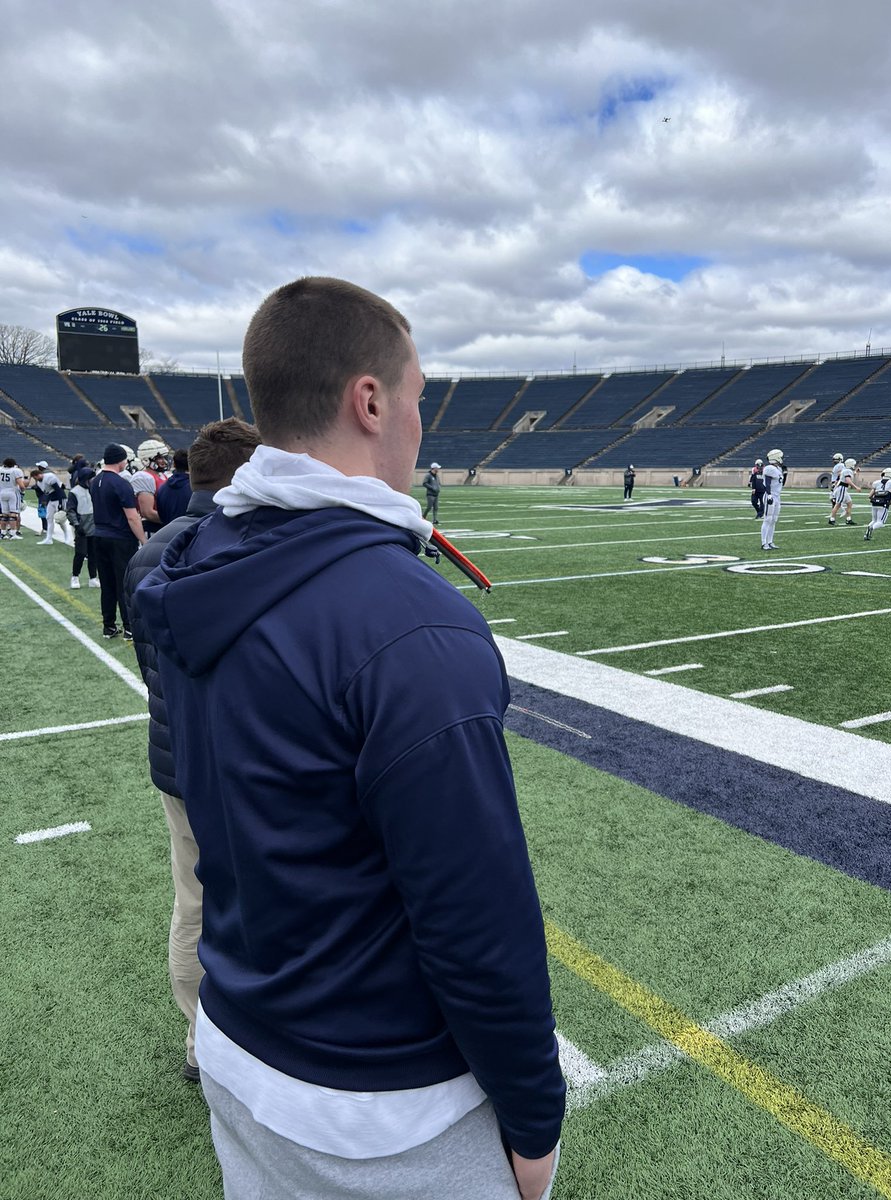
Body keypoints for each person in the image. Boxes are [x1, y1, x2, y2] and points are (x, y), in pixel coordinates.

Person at [134, 277, 565, 1200]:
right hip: (375, 1103)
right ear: (368, 401)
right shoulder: (410, 626)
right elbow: (473, 916)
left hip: (241, 1040)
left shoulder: (195, 564)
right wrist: (534, 1116)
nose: (420, 423)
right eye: (415, 398)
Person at [123, 418, 261, 1083]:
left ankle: (199, 1041)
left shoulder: (153, 550)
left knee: (194, 903)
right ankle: (228, 1045)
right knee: (246, 904)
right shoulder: (239, 547)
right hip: (230, 765)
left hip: (172, 756)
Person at [90, 444, 147, 638]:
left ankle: (109, 625)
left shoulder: (95, 481)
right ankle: (129, 626)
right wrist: (143, 540)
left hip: (99, 535)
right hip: (120, 539)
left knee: (107, 584)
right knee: (124, 583)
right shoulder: (121, 483)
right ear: (120, 460)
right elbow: (132, 517)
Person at [66, 467, 100, 588]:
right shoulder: (75, 492)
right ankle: (75, 577)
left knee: (93, 554)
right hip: (82, 527)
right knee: (80, 553)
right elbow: (70, 510)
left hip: (94, 527)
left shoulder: (95, 490)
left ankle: (93, 578)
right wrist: (76, 524)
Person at [131, 438, 172, 533]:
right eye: (160, 458)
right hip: (152, 529)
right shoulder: (143, 477)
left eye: (164, 457)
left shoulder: (163, 475)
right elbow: (148, 513)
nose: (164, 461)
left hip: (162, 526)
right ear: (147, 460)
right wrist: (172, 519)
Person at [155, 448, 192, 525]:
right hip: (190, 533)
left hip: (168, 532)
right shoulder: (195, 489)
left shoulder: (162, 488)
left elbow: (161, 516)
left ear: (174, 464)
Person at [33, 460, 66, 545]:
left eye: (35, 477)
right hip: (51, 499)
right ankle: (49, 538)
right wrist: (46, 502)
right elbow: (46, 492)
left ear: (39, 474)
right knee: (48, 518)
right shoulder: (39, 482)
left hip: (59, 498)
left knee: (60, 519)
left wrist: (60, 503)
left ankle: (67, 536)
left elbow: (58, 489)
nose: (35, 479)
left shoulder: (49, 476)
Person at [863, 468, 891, 541]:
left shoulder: (877, 482)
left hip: (874, 503)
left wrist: (877, 500)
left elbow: (870, 496)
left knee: (873, 520)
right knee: (880, 522)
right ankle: (871, 529)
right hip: (883, 505)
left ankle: (867, 534)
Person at [761, 447, 784, 551]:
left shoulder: (778, 469)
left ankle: (770, 541)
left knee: (774, 520)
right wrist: (769, 494)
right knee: (768, 519)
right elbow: (768, 482)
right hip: (770, 496)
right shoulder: (769, 468)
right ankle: (764, 542)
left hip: (777, 496)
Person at [829, 456, 860, 525]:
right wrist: (856, 487)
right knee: (838, 505)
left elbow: (843, 476)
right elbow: (848, 480)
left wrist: (856, 472)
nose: (854, 465)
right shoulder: (847, 470)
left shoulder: (846, 470)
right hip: (842, 489)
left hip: (842, 489)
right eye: (853, 464)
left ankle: (848, 519)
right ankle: (831, 519)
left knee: (849, 504)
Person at [0, 457, 25, 539]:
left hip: (2, 492)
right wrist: (22, 490)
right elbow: (21, 485)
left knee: (4, 514)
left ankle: (3, 533)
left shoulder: (0, 469)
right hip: (12, 492)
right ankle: (13, 534)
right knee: (13, 514)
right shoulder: (16, 471)